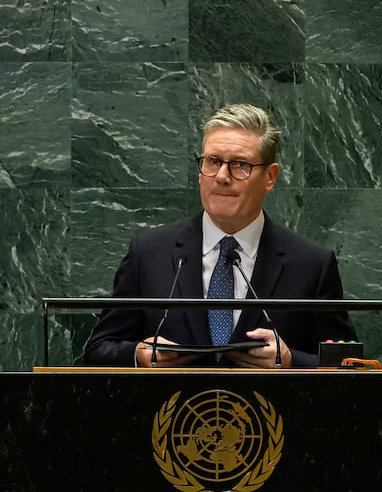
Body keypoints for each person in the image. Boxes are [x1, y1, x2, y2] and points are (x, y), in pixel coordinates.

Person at [84, 103, 357, 368]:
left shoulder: (311, 265)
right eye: (212, 161)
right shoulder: (148, 253)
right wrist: (140, 354)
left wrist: (290, 360)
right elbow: (98, 350)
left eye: (240, 165)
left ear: (270, 177)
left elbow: (348, 366)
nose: (222, 176)